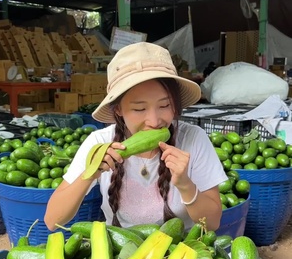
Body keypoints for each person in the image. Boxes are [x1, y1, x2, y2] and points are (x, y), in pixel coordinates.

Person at [44, 42, 227, 232]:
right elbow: (52, 220)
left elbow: (213, 223)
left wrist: (185, 185)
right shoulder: (99, 143)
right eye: (139, 109)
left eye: (165, 105)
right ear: (118, 110)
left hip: (182, 253)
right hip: (121, 253)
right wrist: (91, 172)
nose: (154, 121)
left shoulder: (193, 139)